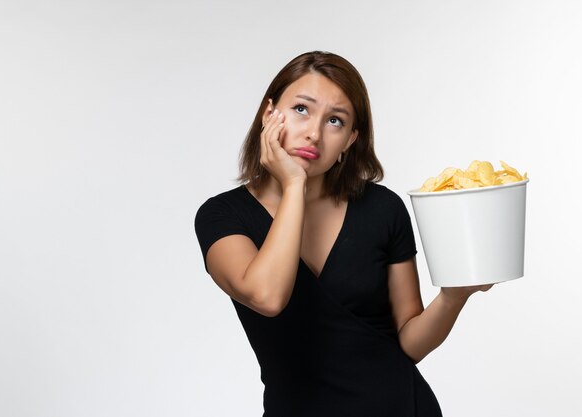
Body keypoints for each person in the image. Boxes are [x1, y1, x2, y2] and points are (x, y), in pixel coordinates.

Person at [194, 51, 492, 417]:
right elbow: (267, 296)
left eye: (335, 121)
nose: (314, 133)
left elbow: (410, 344)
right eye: (301, 109)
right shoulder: (222, 215)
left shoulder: (382, 208)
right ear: (269, 113)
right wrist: (293, 185)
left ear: (350, 139)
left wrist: (453, 295)